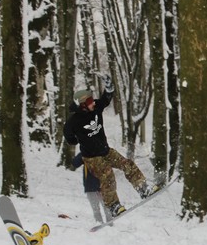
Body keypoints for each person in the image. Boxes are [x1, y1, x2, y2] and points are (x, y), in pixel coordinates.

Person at [63, 75, 158, 218]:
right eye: (89, 101)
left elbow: (106, 98)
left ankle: (143, 188)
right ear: (82, 104)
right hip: (91, 157)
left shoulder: (95, 108)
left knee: (127, 164)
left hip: (105, 151)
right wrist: (75, 140)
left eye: (91, 100)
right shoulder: (73, 121)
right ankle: (113, 206)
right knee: (107, 175)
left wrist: (109, 88)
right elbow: (68, 136)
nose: (92, 103)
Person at [72, 152, 114, 223]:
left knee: (107, 207)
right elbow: (75, 163)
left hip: (103, 185)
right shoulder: (84, 152)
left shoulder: (102, 150)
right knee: (96, 209)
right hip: (90, 186)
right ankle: (99, 223)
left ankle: (110, 225)